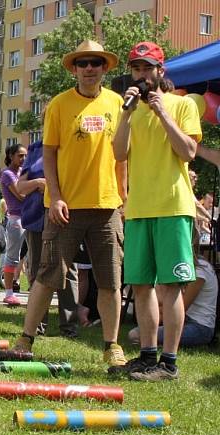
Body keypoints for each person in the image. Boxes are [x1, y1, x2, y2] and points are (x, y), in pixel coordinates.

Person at [11, 40, 127, 371]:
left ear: (105, 68)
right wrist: (56, 197)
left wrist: (124, 196)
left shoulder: (117, 103)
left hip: (107, 207)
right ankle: (26, 339)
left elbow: (122, 156)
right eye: (83, 63)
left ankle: (111, 346)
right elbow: (48, 154)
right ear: (74, 69)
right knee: (47, 275)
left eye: (95, 62)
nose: (89, 68)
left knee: (110, 280)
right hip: (65, 208)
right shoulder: (60, 105)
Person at [113, 41, 202, 381]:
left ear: (161, 71)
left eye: (147, 68)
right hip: (138, 209)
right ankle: (147, 356)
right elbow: (119, 153)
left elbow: (189, 151)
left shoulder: (182, 105)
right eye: (136, 68)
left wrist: (162, 112)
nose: (142, 74)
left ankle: (169, 362)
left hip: (172, 206)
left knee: (170, 287)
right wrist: (126, 114)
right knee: (140, 286)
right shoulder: (131, 111)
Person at [17, 140, 79, 337]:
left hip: (66, 216)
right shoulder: (35, 149)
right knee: (36, 270)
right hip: (36, 218)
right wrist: (38, 183)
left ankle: (69, 325)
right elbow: (21, 187)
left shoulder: (73, 144)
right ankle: (37, 324)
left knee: (68, 271)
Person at [0, 143, 27, 306]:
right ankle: (8, 292)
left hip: (27, 218)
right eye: (20, 155)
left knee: (29, 258)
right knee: (13, 257)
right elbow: (21, 195)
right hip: (16, 219)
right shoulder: (8, 174)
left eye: (25, 155)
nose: (24, 159)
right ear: (11, 156)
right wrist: (37, 186)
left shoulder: (22, 173)